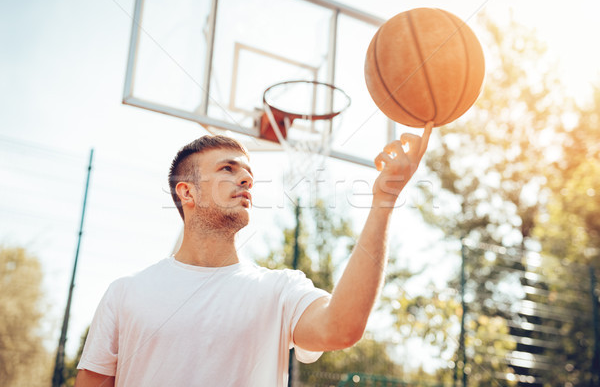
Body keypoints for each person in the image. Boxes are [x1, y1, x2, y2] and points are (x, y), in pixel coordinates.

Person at [75, 132, 427, 387]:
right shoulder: (125, 293)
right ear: (187, 191)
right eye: (227, 169)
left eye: (248, 174)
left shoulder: (280, 290)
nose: (245, 178)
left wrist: (384, 200)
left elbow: (341, 327)